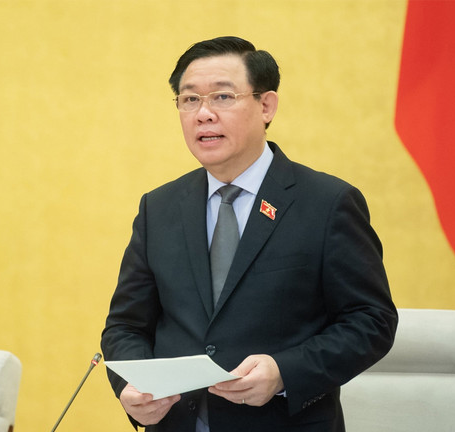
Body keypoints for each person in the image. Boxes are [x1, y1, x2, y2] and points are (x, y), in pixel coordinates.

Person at [101, 36, 398, 432]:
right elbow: (126, 327)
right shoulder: (159, 208)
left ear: (266, 105)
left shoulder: (326, 203)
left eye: (222, 97)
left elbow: (371, 321)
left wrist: (284, 372)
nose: (203, 114)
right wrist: (131, 387)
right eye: (189, 100)